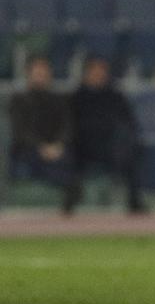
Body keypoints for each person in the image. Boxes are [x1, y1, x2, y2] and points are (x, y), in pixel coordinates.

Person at [69, 56, 145, 214]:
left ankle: (134, 202)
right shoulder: (77, 97)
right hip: (84, 146)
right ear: (86, 73)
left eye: (102, 70)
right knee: (69, 152)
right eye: (94, 70)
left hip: (112, 146)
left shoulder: (116, 96)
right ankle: (70, 202)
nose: (98, 74)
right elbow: (71, 125)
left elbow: (130, 122)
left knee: (131, 149)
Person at [7, 55, 75, 211]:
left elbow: (66, 127)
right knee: (38, 162)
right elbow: (20, 131)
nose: (41, 76)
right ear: (28, 74)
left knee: (68, 159)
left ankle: (68, 208)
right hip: (28, 150)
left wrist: (57, 145)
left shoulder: (59, 100)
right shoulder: (18, 100)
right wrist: (41, 147)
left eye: (44, 73)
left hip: (56, 149)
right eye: (37, 72)